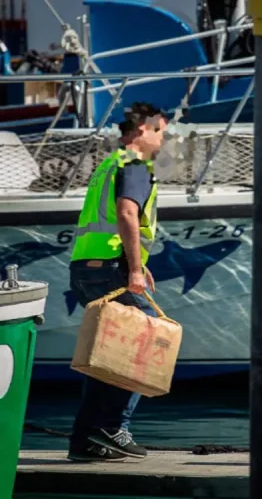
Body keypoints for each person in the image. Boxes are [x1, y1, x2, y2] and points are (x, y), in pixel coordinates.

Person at [67, 102, 168, 462]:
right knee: (145, 341)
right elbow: (127, 212)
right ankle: (113, 426)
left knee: (107, 354)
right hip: (109, 269)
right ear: (142, 130)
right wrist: (135, 269)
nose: (163, 139)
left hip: (86, 268)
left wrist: (135, 259)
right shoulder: (135, 165)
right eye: (160, 131)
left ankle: (85, 440)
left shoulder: (108, 165)